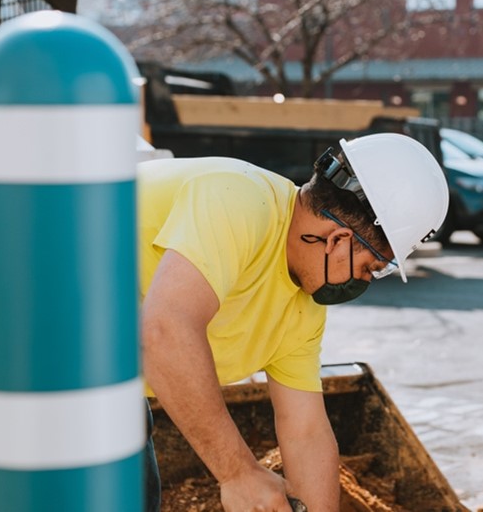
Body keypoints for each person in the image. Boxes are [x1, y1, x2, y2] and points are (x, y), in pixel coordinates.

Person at [143, 132, 448, 511]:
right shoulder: (239, 200)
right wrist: (238, 473)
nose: (366, 281)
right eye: (372, 267)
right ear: (338, 239)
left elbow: (305, 433)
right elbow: (164, 330)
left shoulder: (303, 309)